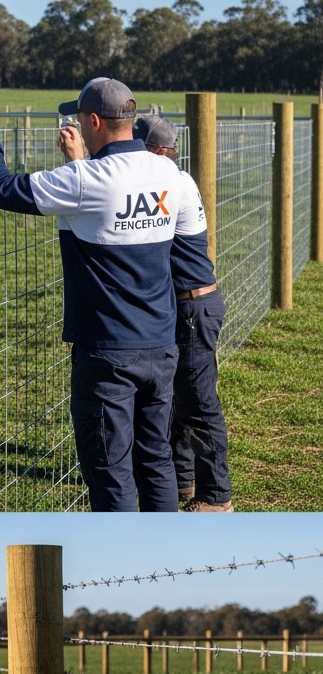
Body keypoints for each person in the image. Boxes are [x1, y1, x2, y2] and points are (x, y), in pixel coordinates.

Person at [0, 78, 201, 512]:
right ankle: (161, 544)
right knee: (156, 459)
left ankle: (120, 551)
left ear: (93, 121)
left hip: (107, 353)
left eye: (78, 118)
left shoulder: (84, 180)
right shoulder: (168, 173)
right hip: (161, 345)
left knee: (111, 471)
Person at [135, 115, 234, 512]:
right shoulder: (174, 180)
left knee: (198, 402)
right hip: (186, 305)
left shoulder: (172, 184)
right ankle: (184, 479)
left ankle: (216, 497)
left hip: (192, 306)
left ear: (158, 151)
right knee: (178, 398)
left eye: (137, 148)